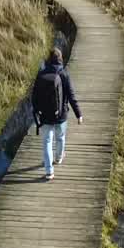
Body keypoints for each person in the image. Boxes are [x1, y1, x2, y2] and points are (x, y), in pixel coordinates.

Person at [31, 48, 83, 181]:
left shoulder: (41, 73)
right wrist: (78, 114)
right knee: (60, 137)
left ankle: (49, 172)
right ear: (60, 59)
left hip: (45, 116)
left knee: (47, 142)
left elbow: (34, 96)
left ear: (48, 59)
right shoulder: (63, 73)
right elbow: (71, 95)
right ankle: (59, 158)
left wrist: (37, 111)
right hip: (61, 115)